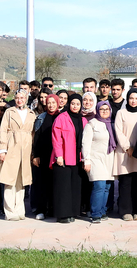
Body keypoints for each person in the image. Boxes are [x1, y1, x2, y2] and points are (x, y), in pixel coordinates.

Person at [0, 89, 36, 221]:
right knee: (9, 180)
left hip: (26, 149)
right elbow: (3, 130)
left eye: (22, 98)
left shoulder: (31, 113)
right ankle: (9, 211)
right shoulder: (9, 112)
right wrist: (2, 149)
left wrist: (33, 152)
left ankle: (19, 209)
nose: (20, 100)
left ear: (26, 99)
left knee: (21, 181)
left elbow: (33, 133)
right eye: (17, 97)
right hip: (12, 146)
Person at [51, 94, 87, 223]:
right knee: (63, 188)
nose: (75, 106)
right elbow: (56, 138)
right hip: (63, 158)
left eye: (78, 104)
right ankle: (63, 215)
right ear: (69, 104)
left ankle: (74, 212)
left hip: (77, 158)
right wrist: (59, 155)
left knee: (75, 186)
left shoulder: (83, 120)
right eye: (73, 104)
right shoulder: (61, 118)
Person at [113, 88, 137, 221]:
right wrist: (128, 147)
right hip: (124, 152)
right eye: (131, 98)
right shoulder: (121, 113)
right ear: (127, 99)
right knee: (125, 183)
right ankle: (125, 211)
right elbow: (118, 131)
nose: (134, 101)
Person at [83, 101, 117, 223]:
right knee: (99, 186)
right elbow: (85, 144)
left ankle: (102, 211)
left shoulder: (111, 123)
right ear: (97, 110)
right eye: (102, 109)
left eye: (107, 109)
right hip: (96, 159)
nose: (104, 111)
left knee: (107, 187)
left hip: (109, 159)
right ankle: (95, 213)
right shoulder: (92, 124)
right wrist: (86, 160)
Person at [32, 94, 60, 220]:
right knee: (42, 183)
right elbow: (37, 138)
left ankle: (53, 209)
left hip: (57, 156)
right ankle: (41, 210)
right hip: (43, 155)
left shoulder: (62, 117)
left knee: (55, 183)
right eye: (49, 103)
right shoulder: (41, 118)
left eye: (53, 102)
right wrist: (36, 155)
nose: (51, 105)